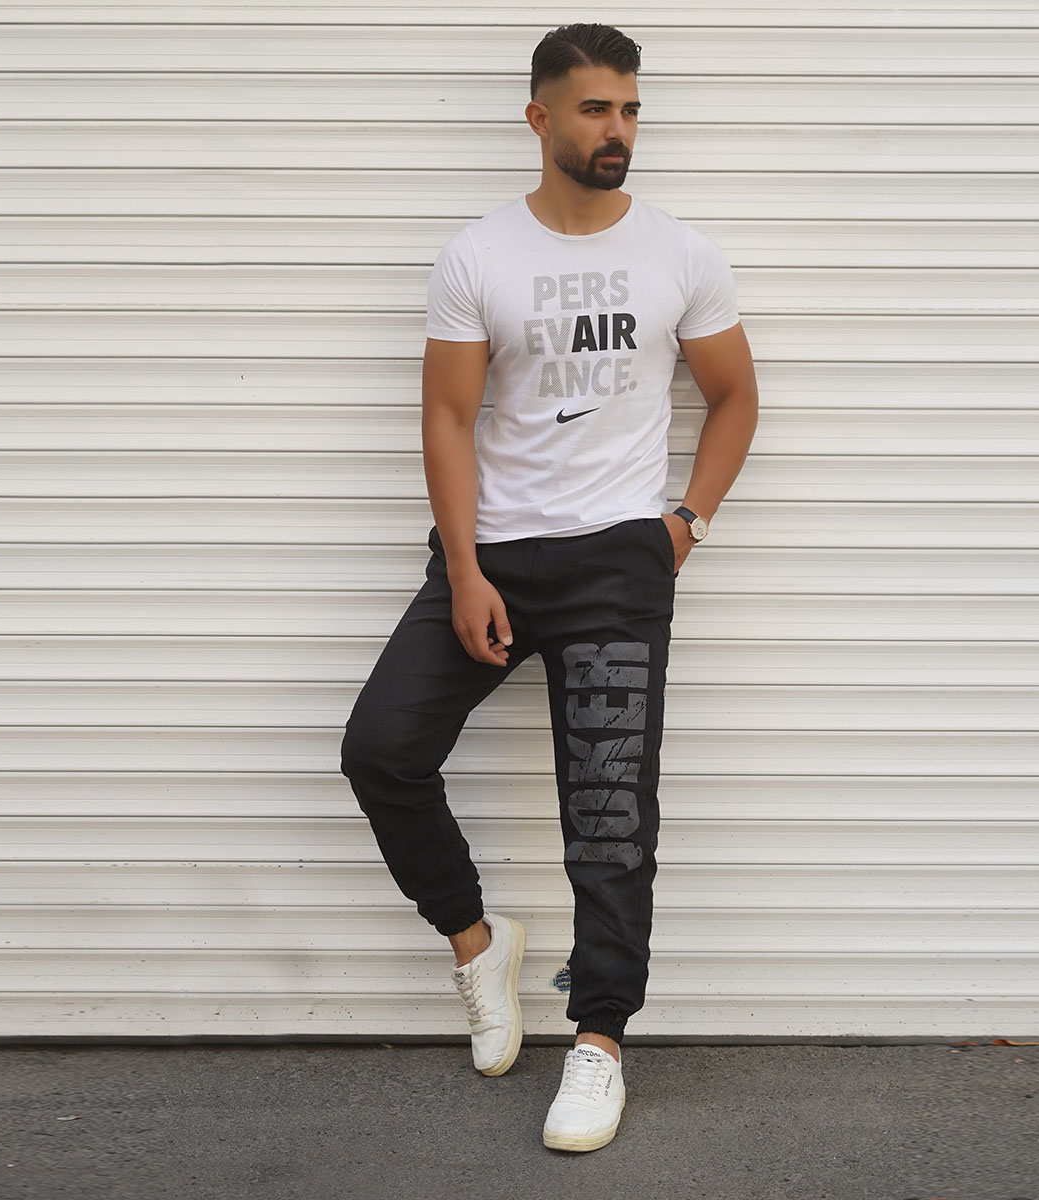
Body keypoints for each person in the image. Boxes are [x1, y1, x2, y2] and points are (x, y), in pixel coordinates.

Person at [340, 21, 758, 1152]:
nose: (618, 128)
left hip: (619, 559)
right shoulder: (480, 257)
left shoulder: (681, 255)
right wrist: (464, 567)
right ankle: (479, 946)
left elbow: (735, 396)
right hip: (496, 556)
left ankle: (600, 1040)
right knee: (381, 750)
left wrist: (685, 523)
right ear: (539, 118)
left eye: (630, 109)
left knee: (609, 817)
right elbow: (447, 416)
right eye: (595, 109)